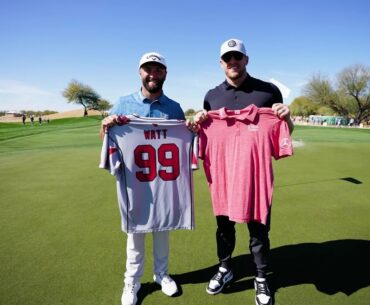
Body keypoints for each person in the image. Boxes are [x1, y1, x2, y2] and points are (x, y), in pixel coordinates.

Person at [192, 38, 294, 305]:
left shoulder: (269, 91)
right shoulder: (211, 97)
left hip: (254, 179)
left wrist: (287, 117)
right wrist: (197, 123)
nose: (233, 62)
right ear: (221, 63)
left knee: (258, 230)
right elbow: (199, 136)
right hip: (223, 178)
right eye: (228, 58)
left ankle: (261, 277)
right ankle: (225, 267)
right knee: (223, 228)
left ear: (246, 60)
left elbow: (283, 133)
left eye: (237, 57)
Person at [100, 52, 187, 305]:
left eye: (158, 70)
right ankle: (132, 282)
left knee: (162, 233)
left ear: (165, 74)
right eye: (148, 69)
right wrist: (106, 125)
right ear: (140, 72)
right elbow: (108, 140)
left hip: (164, 182)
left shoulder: (174, 108)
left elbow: (183, 142)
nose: (153, 74)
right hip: (135, 184)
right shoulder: (123, 103)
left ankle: (162, 275)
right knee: (135, 237)